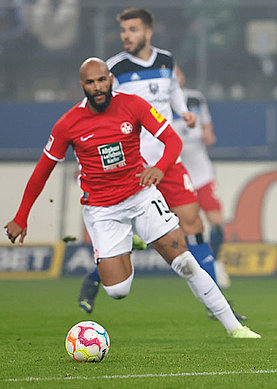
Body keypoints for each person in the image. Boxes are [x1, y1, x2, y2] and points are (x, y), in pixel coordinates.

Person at [4, 58, 259, 339]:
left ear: (111, 80)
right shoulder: (68, 124)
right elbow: (42, 172)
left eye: (102, 80)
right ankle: (130, 242)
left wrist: (159, 168)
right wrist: (21, 216)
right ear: (82, 86)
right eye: (90, 83)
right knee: (117, 290)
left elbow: (173, 140)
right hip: (101, 210)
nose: (97, 87)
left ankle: (235, 328)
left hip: (140, 197)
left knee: (184, 261)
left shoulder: (133, 105)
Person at [77, 8, 242, 318]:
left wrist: (184, 111)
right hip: (133, 166)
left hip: (168, 161)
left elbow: (174, 90)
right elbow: (94, 109)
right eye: (123, 30)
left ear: (148, 32)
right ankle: (93, 280)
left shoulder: (166, 60)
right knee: (125, 237)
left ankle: (216, 301)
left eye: (133, 29)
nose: (126, 35)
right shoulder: (114, 68)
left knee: (194, 223)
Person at [172, 64, 230, 288]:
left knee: (216, 219)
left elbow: (208, 131)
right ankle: (195, 267)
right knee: (184, 223)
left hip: (201, 171)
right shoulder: (158, 104)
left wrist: (207, 134)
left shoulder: (195, 99)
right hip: (177, 173)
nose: (176, 78)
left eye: (178, 73)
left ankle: (216, 262)